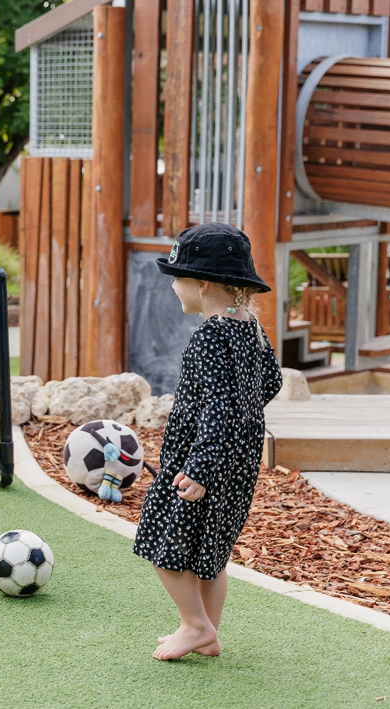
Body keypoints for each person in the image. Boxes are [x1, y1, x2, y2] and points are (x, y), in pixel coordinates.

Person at [133, 222, 283, 660]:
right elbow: (269, 384)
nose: (174, 288)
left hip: (197, 462)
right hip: (238, 460)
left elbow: (216, 409)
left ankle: (194, 625)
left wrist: (199, 469)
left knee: (164, 543)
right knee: (211, 550)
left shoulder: (210, 337)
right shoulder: (250, 329)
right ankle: (208, 633)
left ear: (201, 285)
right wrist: (244, 416)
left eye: (176, 279)